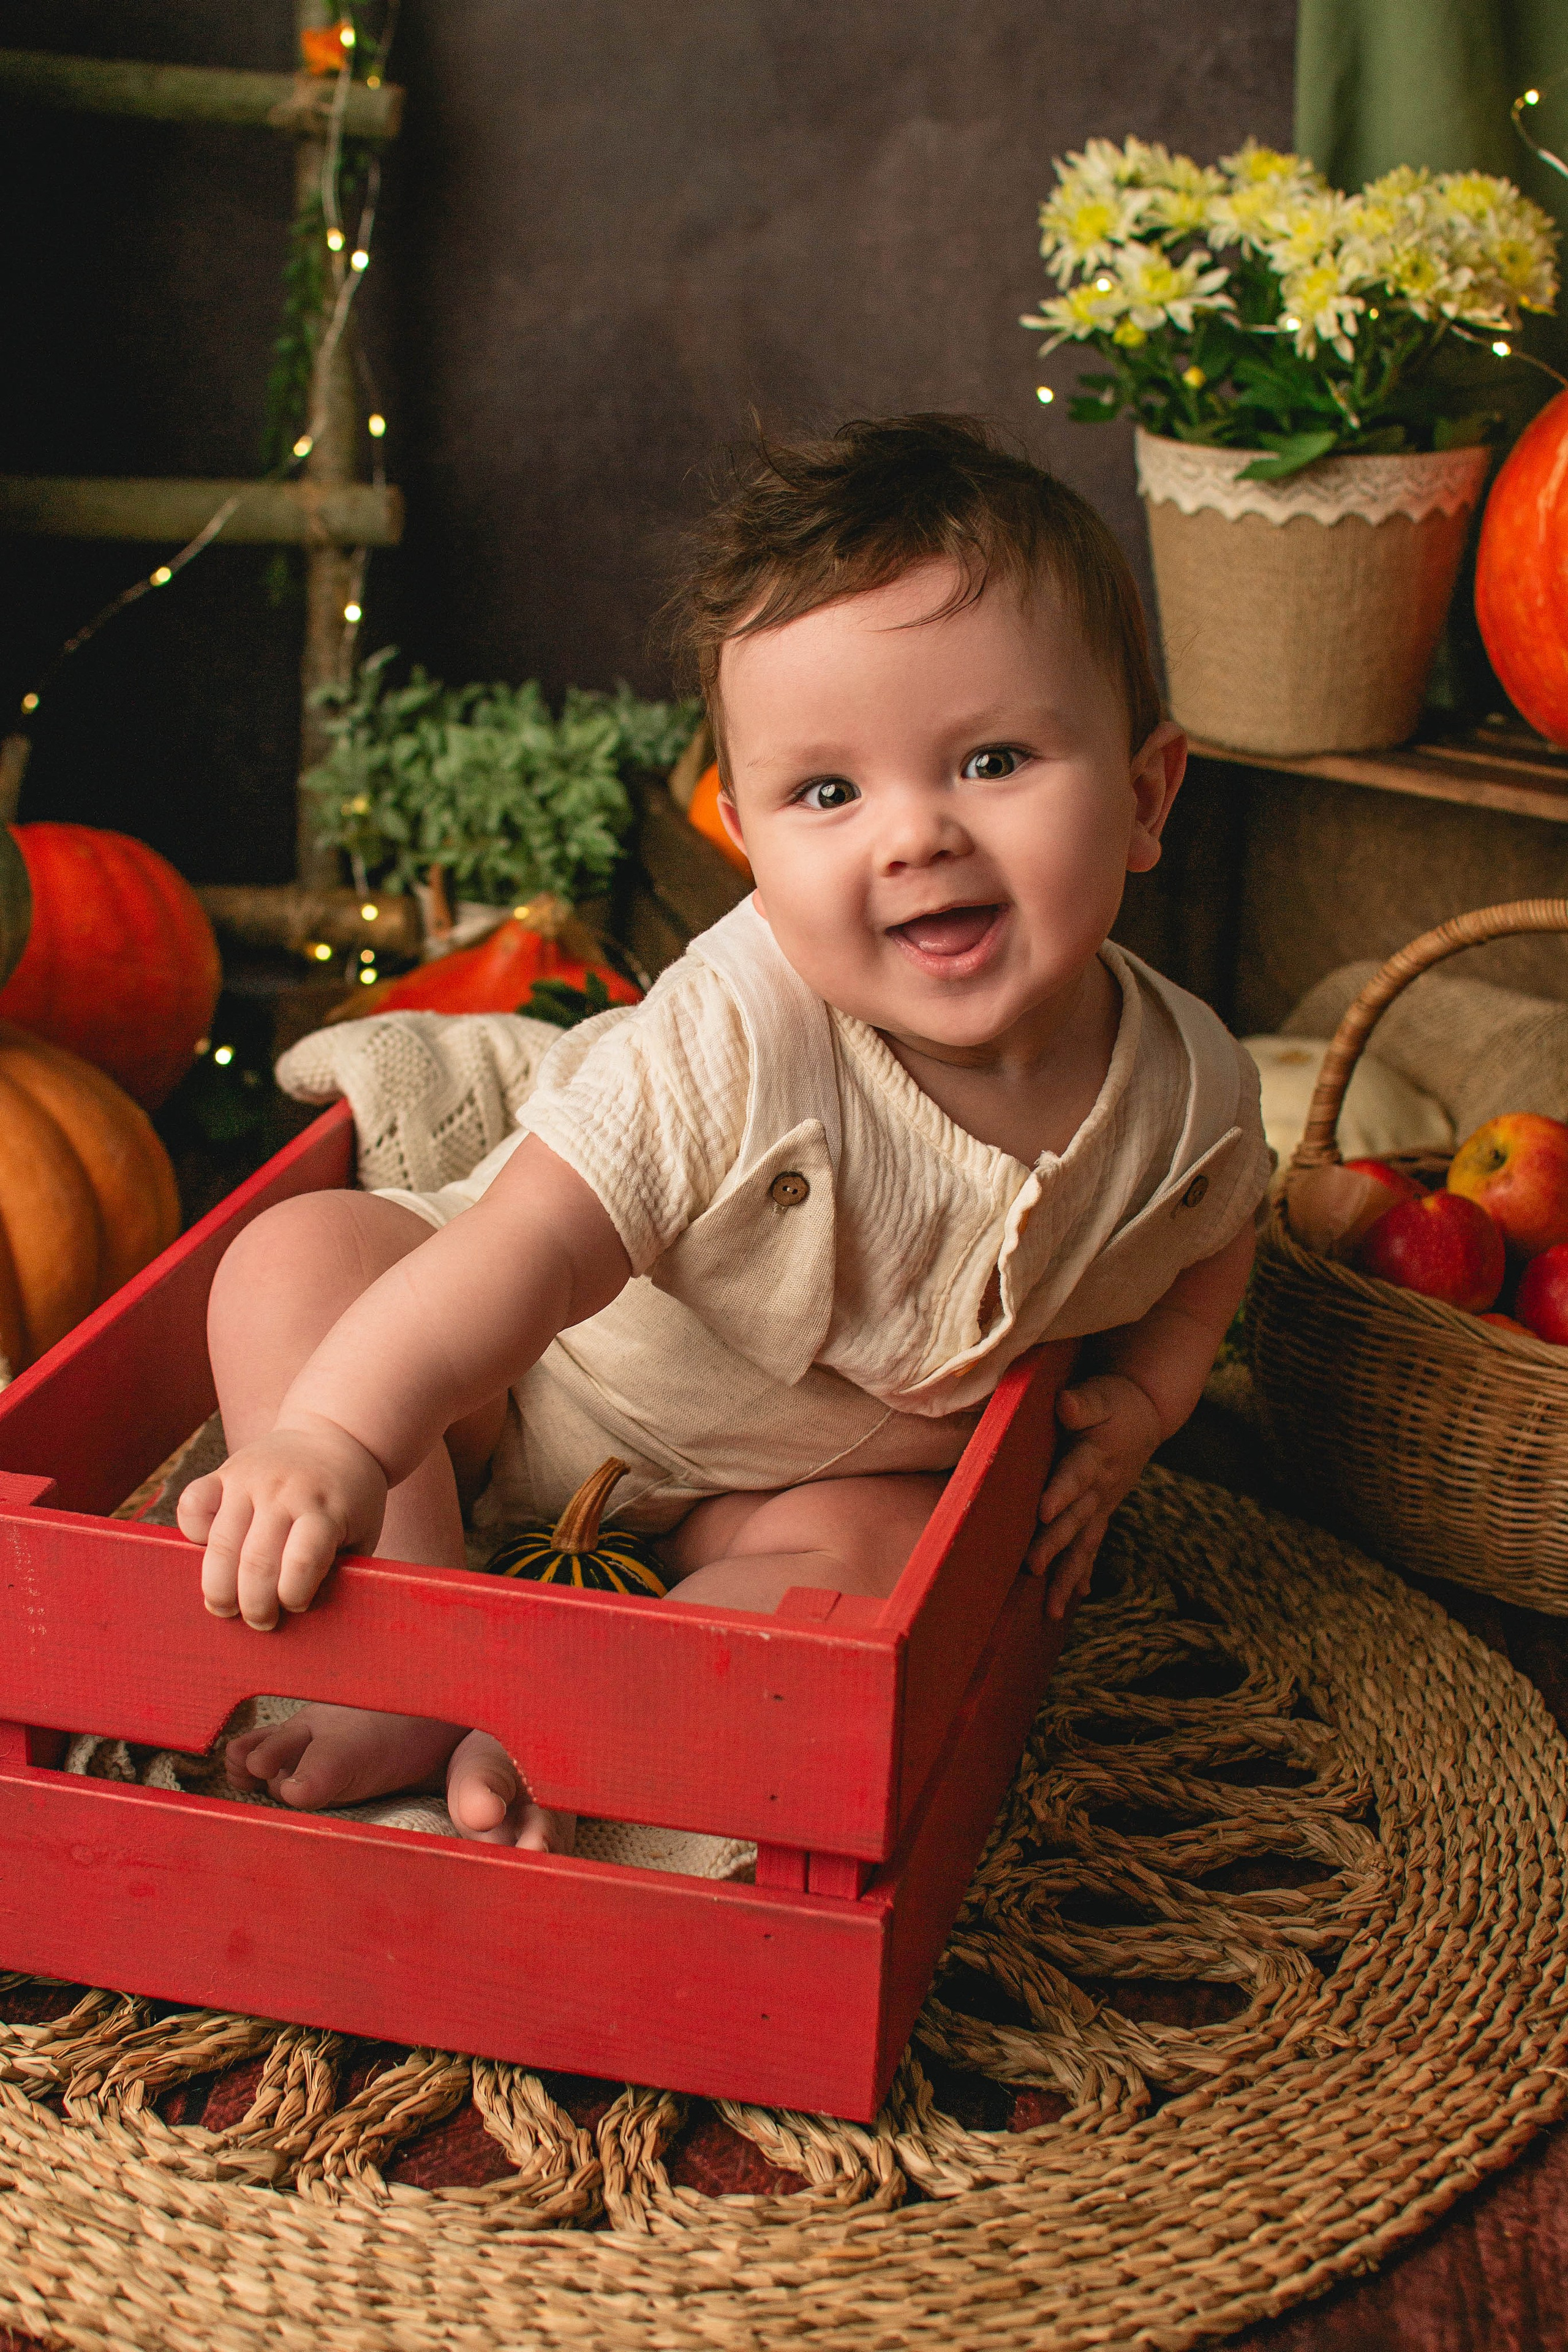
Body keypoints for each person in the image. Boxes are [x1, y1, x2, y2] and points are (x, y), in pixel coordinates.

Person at [178, 413, 1270, 1851]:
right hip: (523, 1382)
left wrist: (1147, 1402)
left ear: (1141, 797)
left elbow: (1217, 1230)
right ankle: (410, 1647)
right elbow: (518, 1258)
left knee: (892, 1561)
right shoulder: (733, 1033)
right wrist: (338, 1436)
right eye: (828, 792)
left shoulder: (1185, 1090)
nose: (912, 834)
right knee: (294, 1259)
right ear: (746, 841)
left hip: (779, 1488)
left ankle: (583, 1714)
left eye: (991, 760)